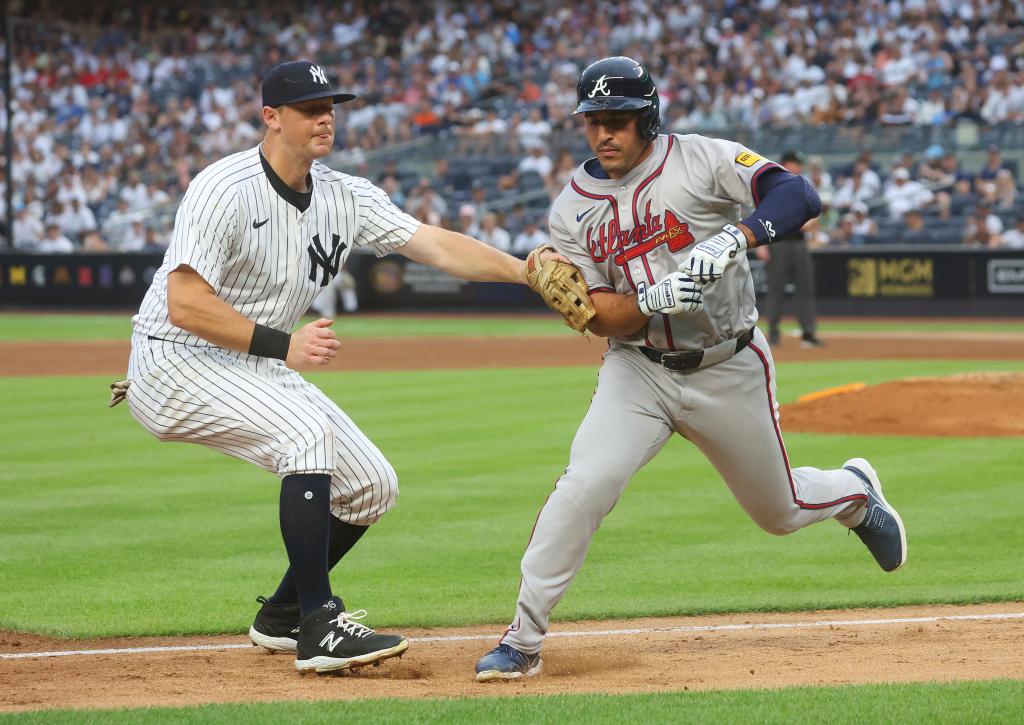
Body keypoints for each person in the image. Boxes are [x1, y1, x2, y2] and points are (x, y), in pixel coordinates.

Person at [114, 60, 560, 676]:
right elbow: (184, 303)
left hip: (250, 361)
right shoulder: (224, 186)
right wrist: (284, 346)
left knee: (371, 484)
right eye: (309, 108)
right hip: (174, 359)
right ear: (271, 117)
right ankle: (319, 625)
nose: (325, 117)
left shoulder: (343, 196)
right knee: (306, 436)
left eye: (331, 106)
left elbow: (431, 242)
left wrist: (524, 270)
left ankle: (283, 613)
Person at [473, 56, 908, 682]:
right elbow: (604, 319)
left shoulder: (702, 159)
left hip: (728, 363)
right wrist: (653, 300)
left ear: (647, 117)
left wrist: (736, 237)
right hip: (639, 370)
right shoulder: (571, 209)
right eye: (593, 121)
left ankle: (856, 493)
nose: (604, 134)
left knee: (779, 512)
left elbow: (798, 195)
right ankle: (522, 638)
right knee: (584, 485)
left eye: (618, 120)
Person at [757, 151, 823, 348]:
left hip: (798, 241)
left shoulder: (804, 185)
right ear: (785, 163)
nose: (798, 167)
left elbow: (814, 215)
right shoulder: (771, 183)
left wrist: (809, 230)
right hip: (778, 242)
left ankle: (808, 332)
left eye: (799, 163)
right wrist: (761, 245)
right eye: (795, 163)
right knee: (776, 290)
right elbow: (760, 214)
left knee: (805, 288)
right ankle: (774, 333)